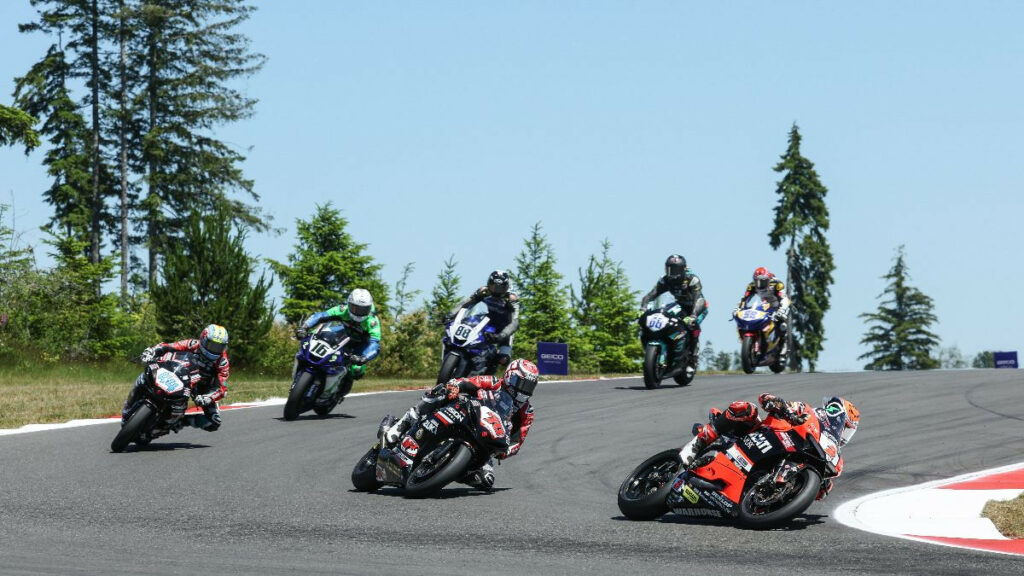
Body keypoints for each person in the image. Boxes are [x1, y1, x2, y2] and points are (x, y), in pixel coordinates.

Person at [384, 358, 539, 491]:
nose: (523, 391)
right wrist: (455, 386)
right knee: (440, 392)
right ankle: (404, 423)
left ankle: (446, 471)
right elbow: (466, 382)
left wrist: (503, 451)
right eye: (521, 384)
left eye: (528, 387)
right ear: (509, 377)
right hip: (464, 415)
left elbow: (517, 442)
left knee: (486, 480)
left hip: (487, 440)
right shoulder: (493, 382)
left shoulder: (527, 412)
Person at [679, 393, 860, 500]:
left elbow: (818, 495)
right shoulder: (805, 411)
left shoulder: (832, 452)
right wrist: (781, 407)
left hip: (772, 460)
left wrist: (822, 484)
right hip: (756, 435)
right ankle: (697, 443)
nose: (844, 433)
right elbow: (766, 398)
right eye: (846, 428)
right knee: (745, 409)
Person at [128, 324, 231, 434]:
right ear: (203, 339)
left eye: (219, 347)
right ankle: (135, 397)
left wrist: (208, 397)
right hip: (180, 374)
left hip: (202, 388)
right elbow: (169, 346)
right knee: (149, 373)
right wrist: (153, 351)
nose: (215, 350)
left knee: (214, 422)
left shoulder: (222, 362)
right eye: (213, 346)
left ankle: (179, 422)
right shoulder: (193, 344)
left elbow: (222, 388)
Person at [297, 288, 381, 405]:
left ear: (369, 308)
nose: (358, 312)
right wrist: (305, 327)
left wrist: (364, 358)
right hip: (343, 335)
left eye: (363, 309)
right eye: (355, 308)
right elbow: (321, 315)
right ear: (349, 304)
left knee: (356, 369)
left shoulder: (372, 322)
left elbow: (374, 344)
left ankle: (339, 392)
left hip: (360, 343)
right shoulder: (342, 310)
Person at [639, 254, 707, 377]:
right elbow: (650, 295)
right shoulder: (665, 280)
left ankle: (692, 359)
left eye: (674, 269)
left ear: (683, 269)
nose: (671, 272)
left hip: (696, 307)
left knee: (693, 327)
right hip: (679, 304)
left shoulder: (692, 279)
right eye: (669, 269)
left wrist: (693, 315)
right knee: (665, 320)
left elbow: (699, 299)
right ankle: (669, 347)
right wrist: (643, 308)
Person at [445, 270, 520, 371]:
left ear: (506, 287)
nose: (496, 290)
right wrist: (451, 314)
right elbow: (466, 303)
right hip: (482, 324)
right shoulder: (483, 291)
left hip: (503, 329)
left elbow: (515, 322)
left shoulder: (512, 298)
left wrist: (501, 336)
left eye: (500, 287)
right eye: (494, 286)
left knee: (503, 358)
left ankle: (488, 377)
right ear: (489, 283)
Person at [736, 267, 792, 358]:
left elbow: (784, 298)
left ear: (768, 279)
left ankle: (784, 344)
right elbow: (744, 299)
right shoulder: (751, 286)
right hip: (762, 307)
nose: (759, 284)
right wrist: (738, 308)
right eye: (757, 281)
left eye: (762, 281)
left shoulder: (777, 284)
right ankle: (754, 343)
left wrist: (781, 310)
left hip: (776, 307)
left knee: (782, 324)